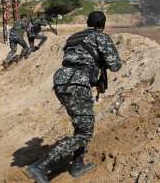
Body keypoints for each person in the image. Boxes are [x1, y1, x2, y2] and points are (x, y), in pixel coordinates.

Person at [25, 11, 122, 183]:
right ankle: (39, 167)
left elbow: (74, 58)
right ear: (103, 24)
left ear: (87, 22)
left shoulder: (74, 38)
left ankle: (77, 164)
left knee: (82, 125)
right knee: (85, 133)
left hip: (62, 79)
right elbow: (115, 65)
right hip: (77, 83)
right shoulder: (100, 37)